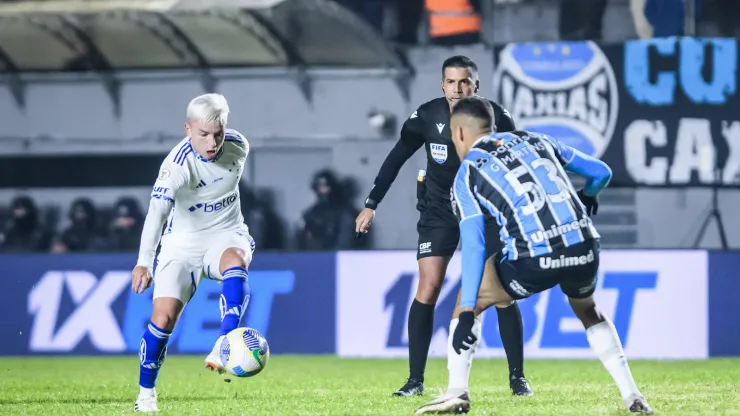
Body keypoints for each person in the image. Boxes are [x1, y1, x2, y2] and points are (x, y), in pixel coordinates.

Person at [416, 96, 653, 414]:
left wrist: (470, 309)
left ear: (458, 134)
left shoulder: (467, 175)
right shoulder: (538, 139)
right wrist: (588, 195)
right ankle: (632, 396)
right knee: (588, 310)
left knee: (474, 289)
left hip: (534, 257)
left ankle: (457, 391)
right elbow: (601, 172)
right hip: (583, 248)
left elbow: (473, 246)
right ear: (493, 126)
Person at [355, 55, 533, 397]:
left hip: (485, 211)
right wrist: (371, 204)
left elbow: (518, 162)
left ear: (476, 85)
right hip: (439, 212)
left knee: (502, 294)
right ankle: (414, 381)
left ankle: (517, 379)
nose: (457, 88)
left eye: (464, 81)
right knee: (429, 285)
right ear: (442, 84)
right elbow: (396, 157)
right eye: (451, 82)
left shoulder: (498, 117)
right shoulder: (427, 116)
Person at [131, 93, 255, 413]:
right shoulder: (176, 167)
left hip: (226, 233)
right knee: (163, 319)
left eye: (218, 133)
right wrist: (144, 262)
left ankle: (225, 342)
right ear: (187, 129)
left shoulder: (239, 146)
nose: (212, 142)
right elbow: (156, 214)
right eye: (203, 134)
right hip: (181, 243)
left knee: (236, 261)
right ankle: (146, 394)